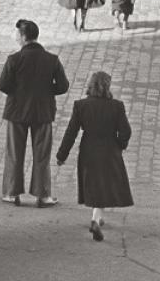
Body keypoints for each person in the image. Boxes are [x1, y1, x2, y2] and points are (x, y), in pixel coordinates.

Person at [0, 19, 70, 208]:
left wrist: (19, 90)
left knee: (14, 153)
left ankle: (12, 193)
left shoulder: (14, 59)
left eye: (16, 34)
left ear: (23, 36)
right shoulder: (51, 59)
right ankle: (43, 195)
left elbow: (2, 85)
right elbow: (63, 86)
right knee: (42, 155)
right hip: (43, 112)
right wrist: (45, 91)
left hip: (16, 113)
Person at [55, 71, 134, 242]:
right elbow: (126, 131)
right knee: (104, 186)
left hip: (88, 150)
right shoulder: (117, 106)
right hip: (110, 151)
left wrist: (62, 155)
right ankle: (96, 220)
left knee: (96, 185)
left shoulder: (81, 105)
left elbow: (71, 133)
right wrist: (120, 145)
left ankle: (97, 218)